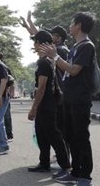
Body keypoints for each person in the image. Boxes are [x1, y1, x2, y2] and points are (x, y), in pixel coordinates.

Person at [40, 12, 96, 186]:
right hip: (69, 98)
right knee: (71, 137)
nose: (69, 26)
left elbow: (73, 70)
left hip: (80, 99)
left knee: (81, 137)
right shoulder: (75, 47)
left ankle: (85, 177)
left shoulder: (87, 46)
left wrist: (56, 57)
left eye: (72, 23)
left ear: (79, 25)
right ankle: (75, 172)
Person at [27, 31, 70, 175]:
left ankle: (65, 165)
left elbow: (42, 88)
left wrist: (34, 108)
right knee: (41, 135)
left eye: (36, 43)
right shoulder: (47, 61)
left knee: (53, 135)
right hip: (47, 103)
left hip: (46, 104)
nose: (35, 46)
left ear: (39, 44)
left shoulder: (44, 62)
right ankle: (44, 163)